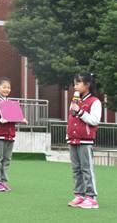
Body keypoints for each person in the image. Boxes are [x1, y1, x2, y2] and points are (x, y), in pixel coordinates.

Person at [66, 72, 102, 209]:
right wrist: (68, 135)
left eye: (78, 83)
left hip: (85, 140)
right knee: (76, 169)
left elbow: (94, 120)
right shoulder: (75, 101)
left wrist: (80, 112)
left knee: (86, 169)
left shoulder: (95, 101)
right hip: (73, 139)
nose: (75, 86)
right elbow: (71, 119)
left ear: (87, 84)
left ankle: (91, 197)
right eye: (74, 84)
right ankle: (79, 195)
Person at [0, 77, 28, 192]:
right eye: (4, 87)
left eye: (8, 87)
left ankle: (3, 181)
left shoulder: (11, 103)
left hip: (10, 135)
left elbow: (14, 117)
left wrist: (21, 119)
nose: (6, 89)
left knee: (6, 160)